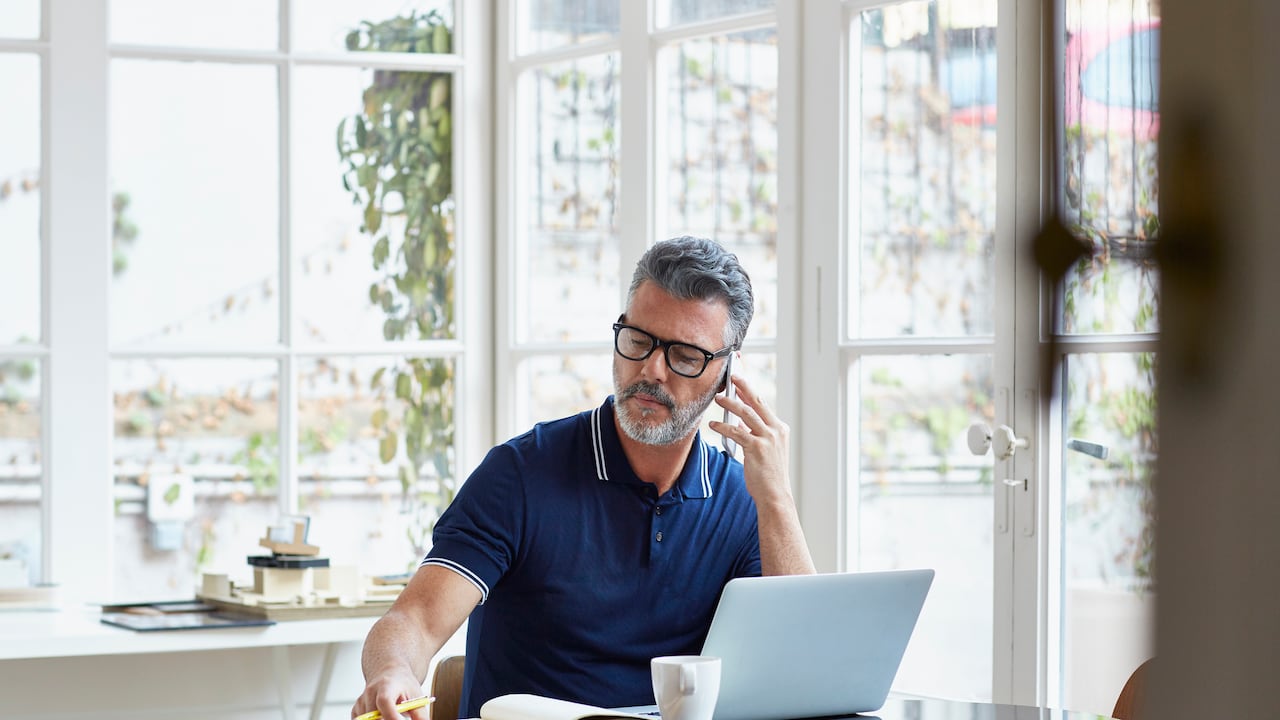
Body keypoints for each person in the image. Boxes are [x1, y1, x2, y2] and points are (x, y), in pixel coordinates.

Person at [352, 236, 815, 720]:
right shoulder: (520, 475)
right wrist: (393, 671)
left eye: (685, 355)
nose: (652, 370)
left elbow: (803, 666)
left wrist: (777, 499)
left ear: (727, 372)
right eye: (638, 340)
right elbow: (415, 620)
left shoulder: (744, 500)